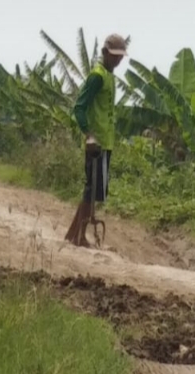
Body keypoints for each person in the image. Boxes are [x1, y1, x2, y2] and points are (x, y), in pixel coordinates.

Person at [64, 33, 128, 248]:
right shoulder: (97, 76)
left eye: (120, 56)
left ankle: (73, 234)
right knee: (91, 190)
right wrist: (88, 135)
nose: (118, 60)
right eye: (114, 56)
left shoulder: (110, 76)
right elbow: (79, 108)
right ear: (104, 53)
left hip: (106, 143)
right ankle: (79, 236)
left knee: (95, 191)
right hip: (96, 143)